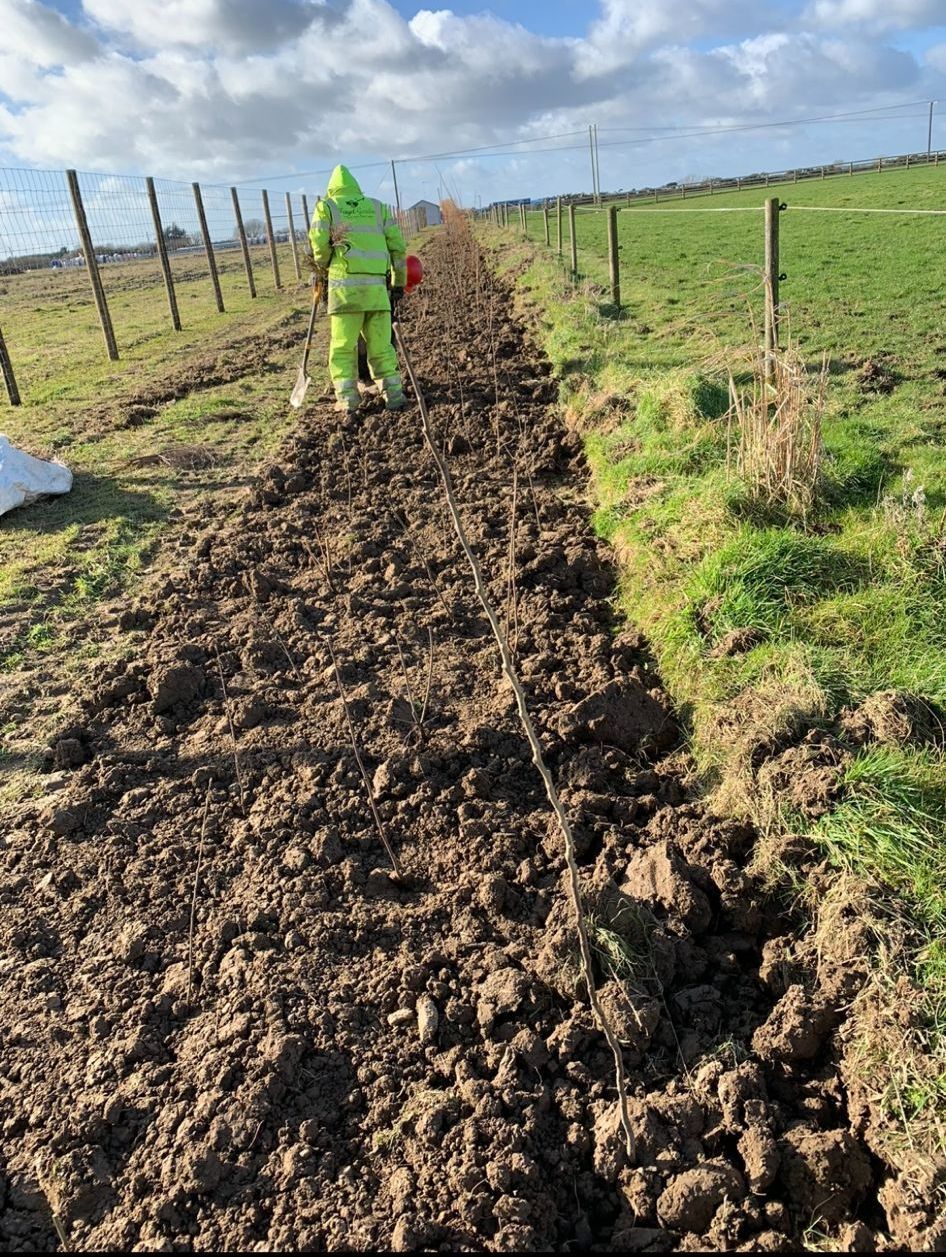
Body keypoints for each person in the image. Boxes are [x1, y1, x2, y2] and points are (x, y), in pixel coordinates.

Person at [309, 165, 407, 414]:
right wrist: (398, 282)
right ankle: (394, 395)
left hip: (345, 293)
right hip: (377, 292)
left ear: (332, 188)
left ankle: (348, 400)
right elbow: (398, 248)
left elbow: (320, 247)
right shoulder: (378, 208)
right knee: (382, 346)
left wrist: (321, 271)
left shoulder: (327, 207)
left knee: (343, 347)